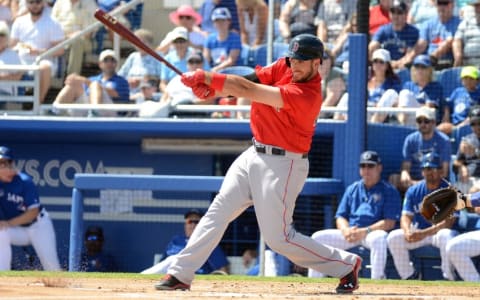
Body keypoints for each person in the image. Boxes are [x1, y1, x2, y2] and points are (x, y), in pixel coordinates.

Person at [154, 33, 363, 294]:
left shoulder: (306, 95)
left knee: (280, 239)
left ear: (317, 63)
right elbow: (252, 79)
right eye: (293, 59)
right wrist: (215, 88)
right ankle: (180, 273)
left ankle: (345, 265)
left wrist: (206, 77)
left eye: (302, 60)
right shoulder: (284, 65)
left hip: (283, 165)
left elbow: (248, 90)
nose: (294, 65)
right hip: (254, 153)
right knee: (218, 211)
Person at [308, 151, 401, 280]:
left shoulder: (389, 190)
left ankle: (377, 281)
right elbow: (340, 216)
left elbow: (389, 222)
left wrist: (365, 231)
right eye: (363, 166)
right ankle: (314, 281)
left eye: (370, 166)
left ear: (379, 168)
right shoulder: (353, 188)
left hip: (371, 233)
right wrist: (345, 230)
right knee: (318, 237)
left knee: (379, 238)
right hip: (351, 234)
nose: (366, 170)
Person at [387, 152, 459, 280]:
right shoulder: (413, 190)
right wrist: (407, 231)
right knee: (394, 237)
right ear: (422, 172)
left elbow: (448, 222)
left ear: (441, 171)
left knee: (445, 235)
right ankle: (410, 276)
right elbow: (405, 216)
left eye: (433, 168)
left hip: (438, 234)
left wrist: (424, 233)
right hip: (420, 234)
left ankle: (448, 276)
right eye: (426, 169)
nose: (429, 172)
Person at [0, 146, 61, 271]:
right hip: (17, 230)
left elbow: (33, 212)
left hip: (38, 226)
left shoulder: (24, 181)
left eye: (5, 163)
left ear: (12, 164)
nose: (2, 167)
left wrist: (8, 223)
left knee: (52, 269)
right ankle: (3, 275)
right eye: (0, 164)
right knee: (0, 231)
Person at [141, 209, 229, 275]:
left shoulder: (207, 241)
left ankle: (141, 277)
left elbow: (222, 269)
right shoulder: (176, 240)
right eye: (190, 221)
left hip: (193, 275)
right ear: (185, 225)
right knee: (172, 259)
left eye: (196, 222)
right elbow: (162, 263)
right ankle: (141, 278)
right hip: (170, 273)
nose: (193, 225)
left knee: (174, 259)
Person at [10, 0, 65, 104]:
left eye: (37, 2)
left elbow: (60, 50)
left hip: (44, 60)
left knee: (45, 67)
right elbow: (12, 46)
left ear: (43, 3)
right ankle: (10, 102)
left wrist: (38, 52)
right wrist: (21, 47)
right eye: (31, 2)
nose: (35, 5)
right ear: (26, 4)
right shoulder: (19, 22)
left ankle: (38, 103)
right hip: (21, 60)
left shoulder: (53, 23)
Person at [389, 106, 452, 194]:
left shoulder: (444, 140)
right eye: (419, 121)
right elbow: (406, 166)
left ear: (433, 123)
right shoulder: (410, 139)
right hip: (413, 181)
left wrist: (422, 184)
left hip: (435, 180)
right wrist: (405, 173)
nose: (422, 124)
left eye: (426, 121)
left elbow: (444, 173)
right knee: (394, 179)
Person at [52, 49, 130, 117]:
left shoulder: (121, 81)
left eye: (112, 60)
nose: (109, 63)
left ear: (116, 64)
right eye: (106, 60)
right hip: (88, 108)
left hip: (111, 112)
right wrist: (74, 80)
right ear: (100, 64)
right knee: (73, 85)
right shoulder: (93, 79)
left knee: (95, 85)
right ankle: (55, 111)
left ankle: (95, 112)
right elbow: (85, 90)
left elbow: (116, 94)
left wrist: (87, 82)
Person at [334, 49, 402, 122]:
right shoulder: (365, 79)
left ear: (387, 65)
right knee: (347, 96)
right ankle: (336, 126)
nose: (378, 65)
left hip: (382, 116)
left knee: (390, 93)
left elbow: (395, 101)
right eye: (375, 61)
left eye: (381, 62)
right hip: (363, 111)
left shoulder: (394, 82)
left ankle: (373, 126)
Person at [51, 0, 98, 76]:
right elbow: (51, 24)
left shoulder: (89, 3)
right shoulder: (60, 2)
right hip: (60, 39)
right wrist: (64, 36)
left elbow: (89, 31)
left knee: (77, 41)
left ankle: (72, 79)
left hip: (83, 39)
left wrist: (74, 36)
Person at [369, 0, 419, 70]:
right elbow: (372, 47)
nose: (395, 16)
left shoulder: (413, 32)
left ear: (406, 14)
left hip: (405, 68)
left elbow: (411, 55)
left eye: (399, 13)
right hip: (384, 68)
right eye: (393, 12)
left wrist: (396, 64)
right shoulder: (383, 30)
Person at [397, 55, 444, 126]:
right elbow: (401, 104)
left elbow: (430, 107)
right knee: (393, 93)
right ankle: (402, 125)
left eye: (423, 67)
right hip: (409, 119)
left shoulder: (436, 86)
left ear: (429, 70)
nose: (420, 70)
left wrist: (412, 105)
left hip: (426, 120)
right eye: (417, 67)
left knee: (405, 94)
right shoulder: (408, 85)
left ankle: (402, 126)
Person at [412, 0, 460, 70]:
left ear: (452, 5)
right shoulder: (428, 24)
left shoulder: (459, 24)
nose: (442, 7)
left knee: (450, 41)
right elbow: (420, 46)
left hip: (448, 62)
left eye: (445, 3)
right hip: (427, 64)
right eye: (439, 3)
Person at [117, 28, 163, 97]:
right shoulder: (132, 57)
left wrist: (143, 80)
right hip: (131, 94)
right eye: (137, 42)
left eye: (143, 42)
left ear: (150, 43)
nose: (140, 44)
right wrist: (128, 81)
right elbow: (120, 76)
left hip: (150, 95)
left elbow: (163, 77)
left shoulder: (157, 56)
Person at [438, 66, 480, 136]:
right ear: (461, 80)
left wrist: (459, 127)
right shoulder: (457, 91)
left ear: (477, 81)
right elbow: (448, 105)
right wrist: (446, 118)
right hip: (453, 123)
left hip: (470, 124)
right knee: (440, 128)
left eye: (471, 79)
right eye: (465, 78)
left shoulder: (478, 94)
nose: (468, 81)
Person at [203, 7, 242, 72]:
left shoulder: (235, 38)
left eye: (223, 20)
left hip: (232, 73)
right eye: (217, 20)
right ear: (213, 23)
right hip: (213, 73)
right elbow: (206, 59)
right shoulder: (209, 39)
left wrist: (216, 69)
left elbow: (231, 60)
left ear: (229, 21)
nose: (220, 23)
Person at [452, 105, 480, 194]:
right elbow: (456, 162)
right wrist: (461, 167)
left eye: (479, 122)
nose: (476, 126)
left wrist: (475, 152)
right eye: (473, 124)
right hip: (468, 180)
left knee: (473, 192)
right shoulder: (467, 140)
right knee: (448, 196)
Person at [0, 20, 22, 107]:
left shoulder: (13, 55)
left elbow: (18, 76)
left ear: (7, 37)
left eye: (2, 34)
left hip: (6, 93)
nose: (0, 38)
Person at [453, 0, 480, 67]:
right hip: (468, 67)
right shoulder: (466, 23)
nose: (478, 9)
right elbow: (457, 40)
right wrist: (458, 54)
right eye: (476, 6)